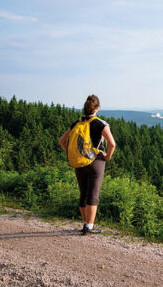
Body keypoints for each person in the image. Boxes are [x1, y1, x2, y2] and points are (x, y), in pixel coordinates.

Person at [59, 95, 116, 235]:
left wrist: (72, 153)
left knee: (83, 193)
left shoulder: (76, 123)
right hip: (95, 161)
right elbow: (112, 144)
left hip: (79, 162)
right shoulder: (101, 123)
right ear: (97, 108)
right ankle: (90, 227)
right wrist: (107, 156)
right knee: (93, 194)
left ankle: (85, 223)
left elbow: (62, 141)